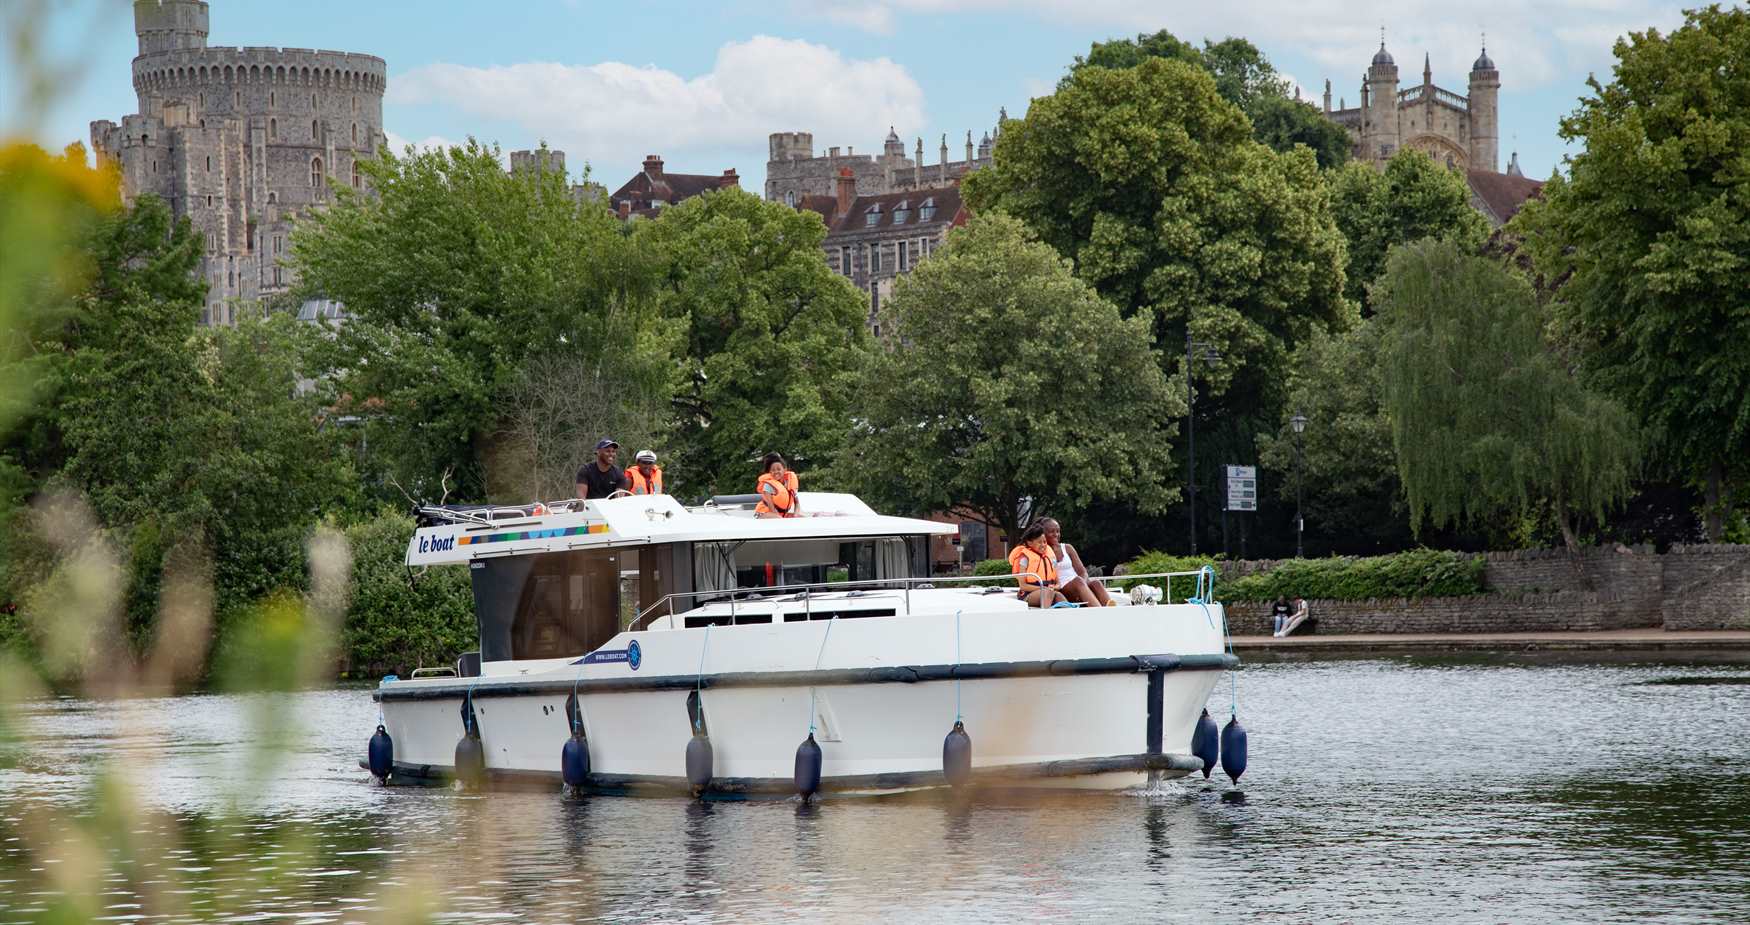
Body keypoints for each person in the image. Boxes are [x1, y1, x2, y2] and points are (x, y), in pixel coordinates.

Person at [1041, 518, 1114, 606]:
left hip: (1079, 584)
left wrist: (1083, 585)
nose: (1056, 534)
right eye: (1052, 532)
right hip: (1062, 588)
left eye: (1058, 531)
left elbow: (1082, 572)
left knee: (1096, 583)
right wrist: (1080, 584)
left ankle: (1113, 610)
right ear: (1043, 534)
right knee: (1078, 581)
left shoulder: (1067, 548)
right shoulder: (1042, 552)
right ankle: (1099, 610)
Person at [1007, 522, 1068, 608]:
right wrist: (1044, 589)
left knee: (1059, 596)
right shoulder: (1024, 559)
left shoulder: (1050, 556)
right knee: (1047, 592)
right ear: (1030, 543)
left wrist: (1054, 587)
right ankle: (1044, 618)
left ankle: (1071, 617)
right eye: (1039, 542)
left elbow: (1058, 583)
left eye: (1044, 542)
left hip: (1048, 591)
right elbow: (1023, 586)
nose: (1043, 545)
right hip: (1028, 595)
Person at [754, 452, 801, 518]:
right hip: (763, 513)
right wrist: (782, 519)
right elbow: (772, 508)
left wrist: (796, 515)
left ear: (785, 470)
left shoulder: (790, 484)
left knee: (800, 517)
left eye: (779, 469)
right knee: (778, 518)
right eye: (773, 470)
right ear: (770, 472)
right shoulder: (768, 485)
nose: (776, 472)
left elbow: (797, 503)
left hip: (781, 515)